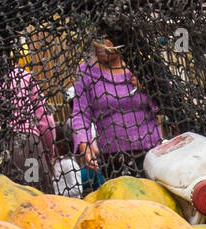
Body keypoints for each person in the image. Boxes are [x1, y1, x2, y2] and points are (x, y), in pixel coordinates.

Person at [70, 20, 164, 179]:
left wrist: (146, 87)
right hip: (113, 162)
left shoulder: (141, 65)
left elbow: (160, 106)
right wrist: (84, 144)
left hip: (151, 155)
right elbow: (80, 113)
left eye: (107, 37)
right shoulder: (84, 71)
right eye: (97, 37)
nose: (101, 43)